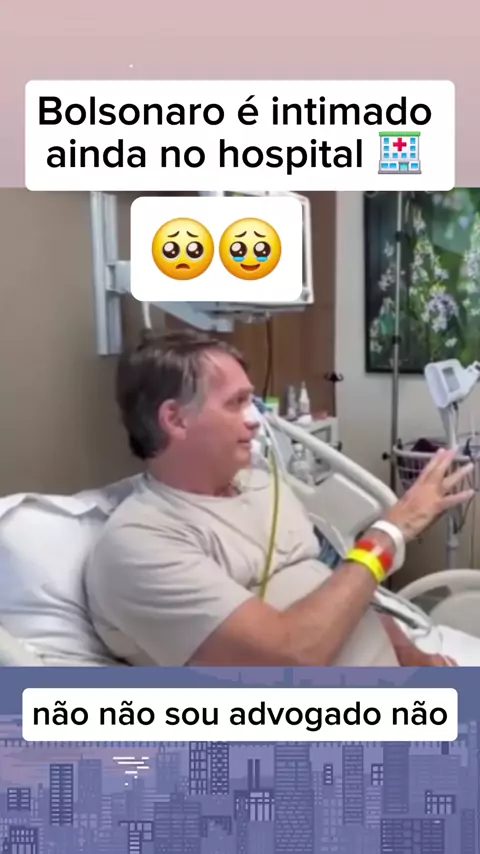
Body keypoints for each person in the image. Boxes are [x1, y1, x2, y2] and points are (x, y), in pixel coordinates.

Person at [85, 330, 475, 668]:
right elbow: (291, 656)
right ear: (175, 419)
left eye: (251, 402)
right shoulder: (142, 543)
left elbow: (344, 587)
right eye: (236, 403)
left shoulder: (262, 485)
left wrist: (414, 658)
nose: (256, 420)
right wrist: (388, 533)